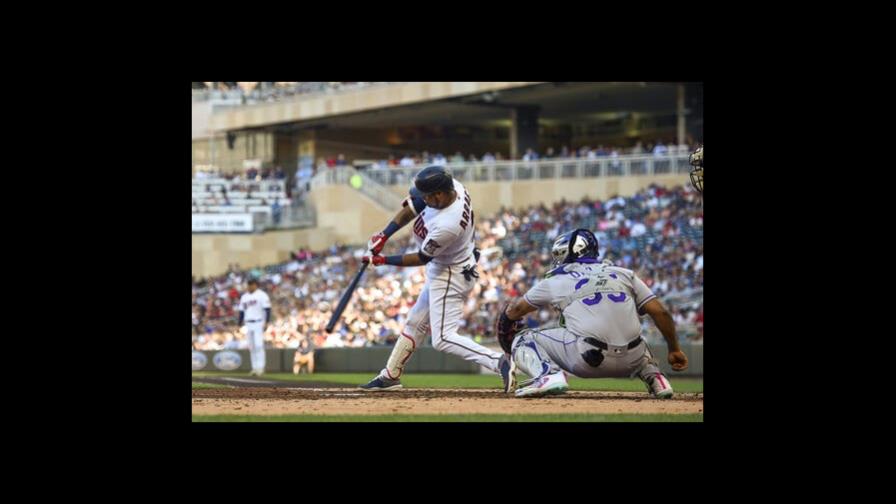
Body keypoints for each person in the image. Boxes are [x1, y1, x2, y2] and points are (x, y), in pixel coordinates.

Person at [358, 165, 514, 392]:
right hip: (446, 266)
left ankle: (499, 362)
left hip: (450, 272)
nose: (423, 200)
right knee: (414, 323)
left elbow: (422, 257)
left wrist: (382, 260)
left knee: (443, 338)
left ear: (439, 194)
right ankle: (390, 376)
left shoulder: (447, 224)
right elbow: (413, 206)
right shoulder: (452, 188)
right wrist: (385, 234)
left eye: (428, 196)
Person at [495, 229, 688, 397]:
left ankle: (547, 376)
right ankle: (656, 379)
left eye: (560, 253)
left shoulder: (556, 280)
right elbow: (661, 313)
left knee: (524, 338)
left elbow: (517, 310)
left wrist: (505, 324)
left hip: (587, 360)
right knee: (633, 334)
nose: (558, 259)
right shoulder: (623, 273)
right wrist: (674, 349)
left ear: (572, 252)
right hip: (632, 359)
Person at [239, 278, 271, 376]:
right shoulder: (244, 297)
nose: (249, 286)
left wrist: (267, 322)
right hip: (248, 323)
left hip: (258, 322)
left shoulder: (262, 295)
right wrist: (238, 324)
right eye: (248, 284)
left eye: (251, 284)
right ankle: (254, 368)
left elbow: (267, 309)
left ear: (255, 285)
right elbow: (241, 311)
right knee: (252, 347)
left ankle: (260, 368)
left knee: (258, 345)